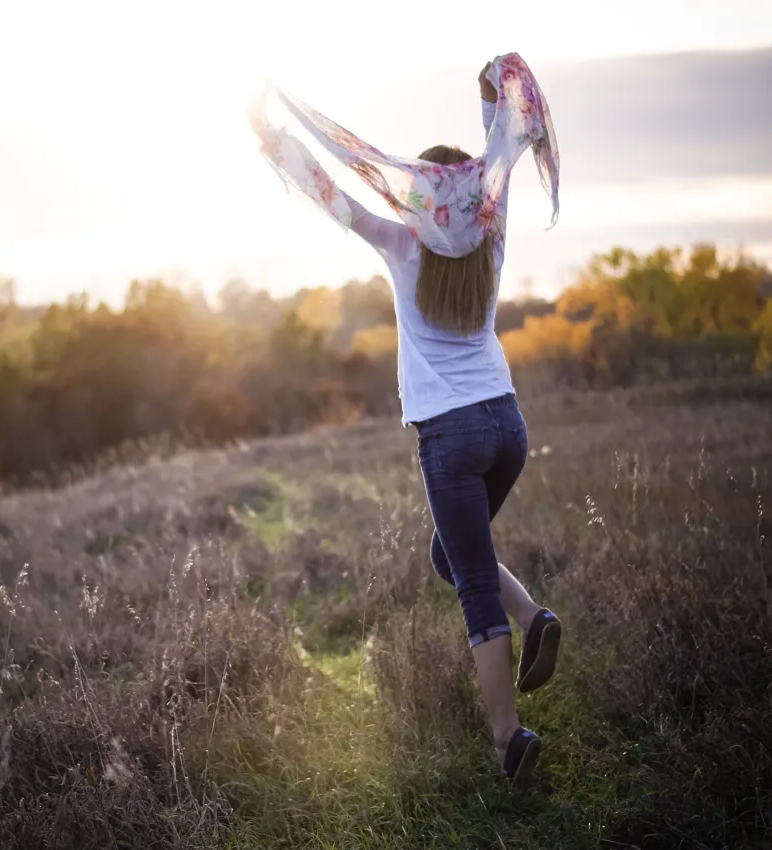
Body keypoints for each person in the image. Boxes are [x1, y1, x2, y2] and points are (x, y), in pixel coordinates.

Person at [250, 56, 563, 783]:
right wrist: (492, 92)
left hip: (450, 438)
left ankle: (507, 739)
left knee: (471, 582)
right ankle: (536, 620)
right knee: (450, 557)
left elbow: (330, 192)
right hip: (507, 428)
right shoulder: (491, 234)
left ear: (423, 200)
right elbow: (500, 158)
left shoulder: (401, 243)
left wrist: (270, 135)